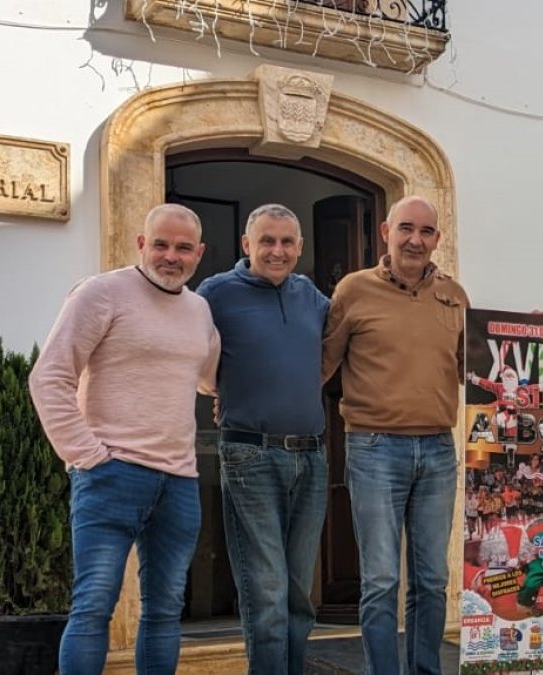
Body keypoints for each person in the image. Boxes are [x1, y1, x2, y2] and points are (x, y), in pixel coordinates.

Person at [29, 203, 220, 674]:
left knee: (164, 612)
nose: (170, 256)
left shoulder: (199, 310)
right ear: (141, 244)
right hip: (111, 475)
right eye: (160, 244)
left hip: (179, 482)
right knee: (93, 607)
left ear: (199, 253)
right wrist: (87, 455)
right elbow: (49, 376)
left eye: (181, 248)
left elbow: (209, 377)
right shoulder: (101, 293)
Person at [321, 195, 469, 675]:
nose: (415, 240)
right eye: (406, 228)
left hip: (438, 450)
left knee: (431, 579)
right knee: (381, 579)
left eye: (426, 232)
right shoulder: (353, 291)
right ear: (386, 231)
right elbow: (321, 366)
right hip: (373, 448)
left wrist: (527, 335)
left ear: (437, 240)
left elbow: (479, 369)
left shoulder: (454, 295)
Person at [196, 204, 330, 675]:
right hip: (248, 454)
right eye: (267, 240)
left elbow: (355, 343)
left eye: (287, 242)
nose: (278, 250)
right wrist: (215, 388)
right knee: (267, 591)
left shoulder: (311, 296)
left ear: (300, 247)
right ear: (247, 244)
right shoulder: (215, 293)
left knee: (298, 594)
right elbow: (183, 350)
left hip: (312, 458)